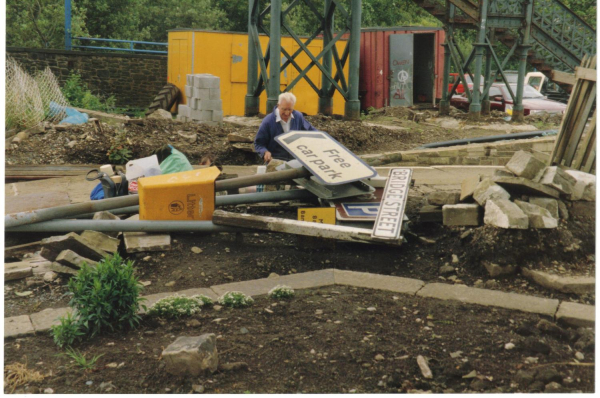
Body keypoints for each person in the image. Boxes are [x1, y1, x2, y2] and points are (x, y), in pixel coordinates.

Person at [254, 92, 317, 163]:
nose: (287, 113)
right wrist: (265, 152)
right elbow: (259, 143)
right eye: (284, 109)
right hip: (276, 161)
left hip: (295, 160)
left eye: (290, 109)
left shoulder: (298, 117)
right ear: (278, 105)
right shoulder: (268, 121)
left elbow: (311, 131)